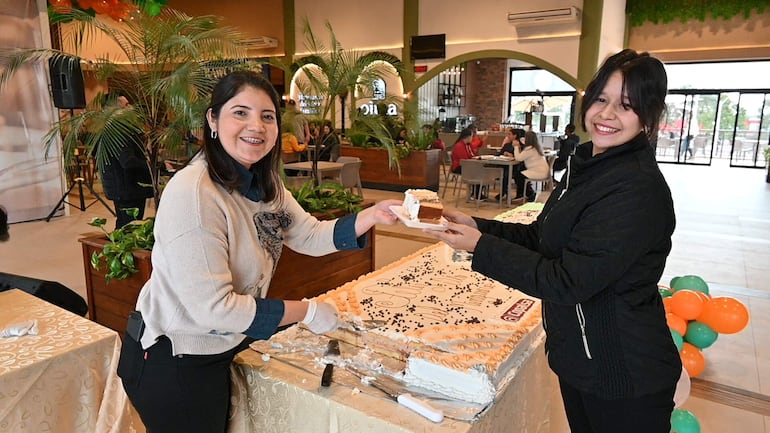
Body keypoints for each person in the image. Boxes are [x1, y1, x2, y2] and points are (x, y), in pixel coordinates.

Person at [117, 70, 401, 433]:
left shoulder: (265, 183)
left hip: (223, 346)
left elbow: (309, 234)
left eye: (267, 116)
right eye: (240, 112)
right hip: (175, 359)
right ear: (213, 119)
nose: (256, 125)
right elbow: (214, 308)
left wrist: (372, 215)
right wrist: (308, 311)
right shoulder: (194, 193)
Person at [425, 49, 681, 433]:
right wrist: (476, 225)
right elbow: (540, 237)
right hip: (582, 359)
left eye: (626, 106)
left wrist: (480, 246)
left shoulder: (635, 189)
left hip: (623, 371)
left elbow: (568, 281)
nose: (607, 114)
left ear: (648, 115)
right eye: (601, 99)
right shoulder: (589, 166)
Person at [99, 95, 154, 229]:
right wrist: (153, 166)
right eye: (126, 105)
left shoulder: (112, 127)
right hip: (128, 189)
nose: (131, 108)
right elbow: (128, 162)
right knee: (128, 228)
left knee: (125, 225)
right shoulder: (119, 132)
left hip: (123, 188)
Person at [512, 130, 548, 201]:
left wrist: (516, 147)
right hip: (543, 171)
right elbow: (522, 141)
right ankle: (524, 193)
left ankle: (530, 193)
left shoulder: (529, 149)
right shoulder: (536, 147)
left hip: (538, 172)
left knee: (518, 176)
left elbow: (518, 158)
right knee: (520, 174)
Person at [451, 127, 485, 199]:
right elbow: (464, 160)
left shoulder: (469, 145)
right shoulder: (459, 146)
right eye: (472, 136)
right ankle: (476, 194)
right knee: (478, 173)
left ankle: (476, 193)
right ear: (468, 137)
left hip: (468, 165)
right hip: (459, 166)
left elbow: (473, 155)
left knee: (483, 171)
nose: (473, 138)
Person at [494, 127, 525, 201]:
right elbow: (499, 154)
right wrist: (503, 154)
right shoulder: (507, 145)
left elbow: (521, 158)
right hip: (504, 165)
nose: (508, 136)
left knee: (506, 173)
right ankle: (503, 192)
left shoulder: (521, 146)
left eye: (510, 134)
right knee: (504, 172)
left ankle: (503, 192)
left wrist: (512, 155)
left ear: (515, 136)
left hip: (517, 167)